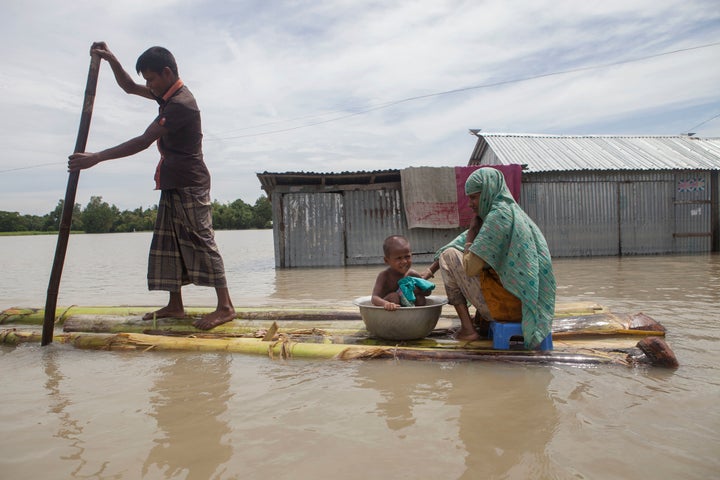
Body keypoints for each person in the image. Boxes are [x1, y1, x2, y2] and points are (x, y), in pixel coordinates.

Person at [68, 42, 235, 330]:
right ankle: (175, 305)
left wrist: (96, 157)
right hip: (173, 181)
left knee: (203, 241)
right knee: (168, 242)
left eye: (152, 79)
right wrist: (110, 59)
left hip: (190, 183)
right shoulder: (167, 97)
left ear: (167, 73)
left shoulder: (181, 104)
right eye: (148, 80)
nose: (149, 85)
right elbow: (129, 87)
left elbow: (143, 140)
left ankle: (226, 307)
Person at [421, 168, 556, 347]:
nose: (470, 203)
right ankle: (481, 323)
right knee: (454, 254)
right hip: (526, 302)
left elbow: (469, 267)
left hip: (513, 308)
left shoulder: (497, 218)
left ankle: (468, 330)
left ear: (488, 192)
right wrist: (428, 272)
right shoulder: (509, 212)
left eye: (473, 197)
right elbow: (457, 242)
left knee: (449, 256)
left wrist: (471, 233)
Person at [371, 235, 434, 311]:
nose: (404, 261)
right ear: (387, 261)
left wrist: (416, 289)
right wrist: (386, 304)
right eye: (399, 258)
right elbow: (374, 298)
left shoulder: (412, 274)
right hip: (390, 310)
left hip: (409, 306)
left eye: (407, 256)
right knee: (394, 297)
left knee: (420, 299)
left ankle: (415, 318)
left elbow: (428, 292)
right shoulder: (385, 275)